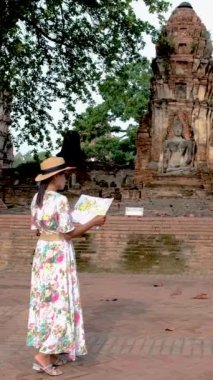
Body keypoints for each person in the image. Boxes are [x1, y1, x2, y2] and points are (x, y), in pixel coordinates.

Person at [26, 156, 106, 376]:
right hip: (59, 254)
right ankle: (43, 356)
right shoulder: (59, 200)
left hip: (43, 252)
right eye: (63, 175)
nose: (65, 179)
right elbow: (69, 233)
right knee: (60, 302)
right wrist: (93, 222)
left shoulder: (37, 198)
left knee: (45, 302)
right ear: (55, 177)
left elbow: (35, 228)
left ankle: (50, 351)